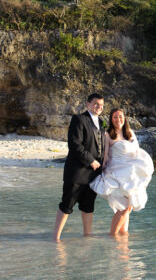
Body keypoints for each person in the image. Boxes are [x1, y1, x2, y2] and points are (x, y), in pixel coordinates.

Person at [90, 108, 154, 235]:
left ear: (124, 118)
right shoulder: (108, 135)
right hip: (117, 173)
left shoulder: (130, 133)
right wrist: (100, 170)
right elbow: (106, 156)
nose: (118, 119)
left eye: (120, 116)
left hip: (131, 174)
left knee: (129, 207)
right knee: (123, 207)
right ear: (111, 119)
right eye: (115, 117)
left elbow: (137, 152)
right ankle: (112, 236)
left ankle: (123, 237)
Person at [53, 93, 105, 242]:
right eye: (96, 104)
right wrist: (91, 161)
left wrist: (102, 165)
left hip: (94, 174)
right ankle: (55, 238)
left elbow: (102, 146)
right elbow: (75, 144)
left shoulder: (102, 123)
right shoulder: (79, 119)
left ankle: (87, 235)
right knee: (67, 204)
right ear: (87, 104)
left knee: (88, 205)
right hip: (77, 171)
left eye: (101, 105)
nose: (99, 107)